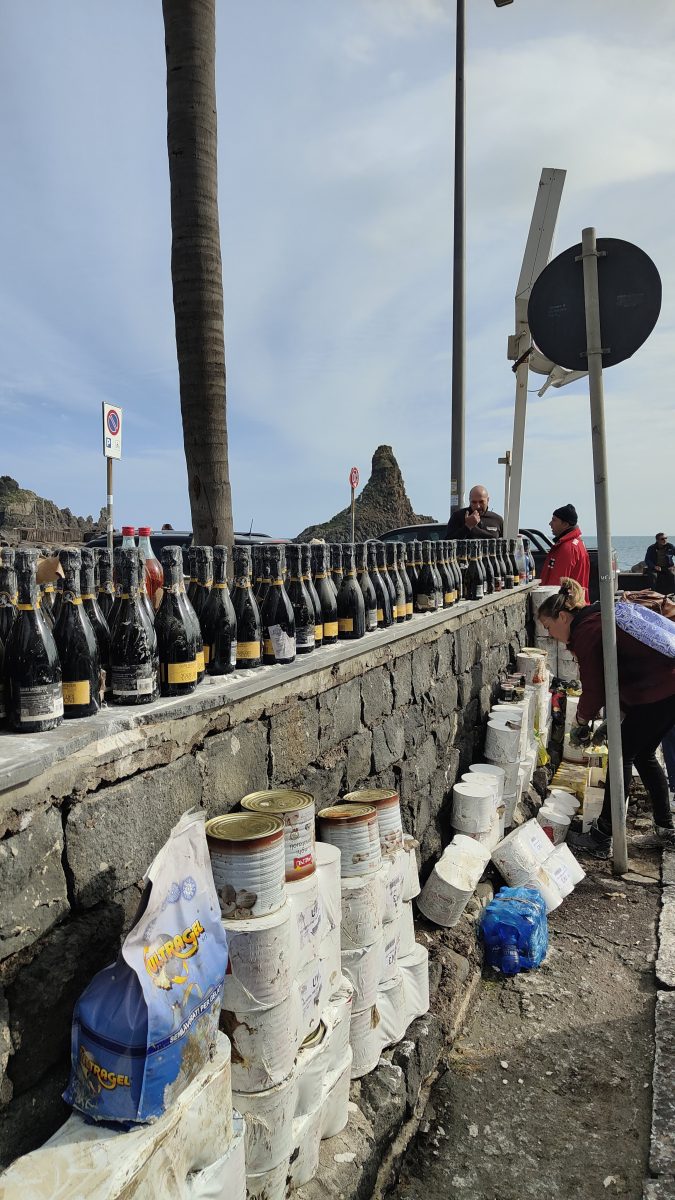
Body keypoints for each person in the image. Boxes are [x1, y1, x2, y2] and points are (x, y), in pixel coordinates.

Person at [537, 577, 675, 858]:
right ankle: (665, 828)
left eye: (549, 627)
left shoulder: (587, 631)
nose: (551, 635)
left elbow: (596, 688)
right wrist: (610, 720)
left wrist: (581, 720)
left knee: (621, 755)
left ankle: (603, 836)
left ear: (563, 616)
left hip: (660, 689)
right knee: (644, 753)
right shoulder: (596, 617)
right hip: (665, 686)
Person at [539, 504, 590, 601]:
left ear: (565, 524)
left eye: (554, 520)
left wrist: (549, 607)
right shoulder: (576, 543)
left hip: (565, 606)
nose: (550, 523)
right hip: (574, 602)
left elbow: (558, 583)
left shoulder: (567, 548)